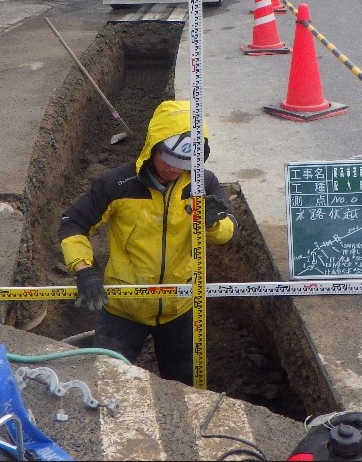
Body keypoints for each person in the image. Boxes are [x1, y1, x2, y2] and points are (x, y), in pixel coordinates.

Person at [58, 100, 238, 386]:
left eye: (184, 164)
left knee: (186, 389)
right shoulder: (116, 184)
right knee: (108, 385)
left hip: (181, 307)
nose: (174, 170)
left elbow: (228, 233)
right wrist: (84, 269)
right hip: (123, 308)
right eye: (168, 160)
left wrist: (213, 223)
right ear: (152, 146)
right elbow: (73, 223)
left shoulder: (202, 184)